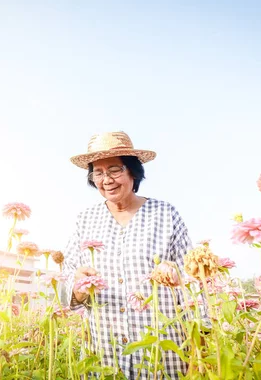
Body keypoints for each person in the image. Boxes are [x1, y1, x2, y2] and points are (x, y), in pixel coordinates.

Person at [62, 131, 205, 379]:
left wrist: (200, 346)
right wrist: (78, 288)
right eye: (98, 172)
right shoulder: (85, 220)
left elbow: (192, 282)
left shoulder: (164, 214)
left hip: (161, 351)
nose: (106, 179)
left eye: (115, 170)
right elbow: (67, 286)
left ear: (133, 172)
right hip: (105, 353)